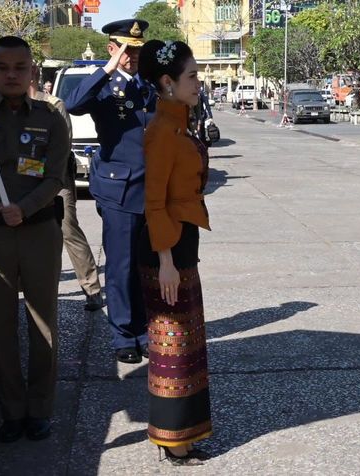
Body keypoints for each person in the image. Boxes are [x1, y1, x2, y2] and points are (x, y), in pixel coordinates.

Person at [0, 36, 70, 442]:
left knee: (43, 325)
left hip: (38, 232)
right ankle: (11, 410)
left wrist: (27, 206)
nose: (11, 75)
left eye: (20, 67)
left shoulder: (50, 118)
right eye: (2, 67)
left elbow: (56, 176)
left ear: (32, 72)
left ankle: (40, 408)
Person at [137, 39, 212, 466]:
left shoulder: (180, 124)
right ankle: (172, 439)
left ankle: (182, 435)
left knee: (186, 343)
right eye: (192, 76)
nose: (198, 82)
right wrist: (165, 259)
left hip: (182, 240)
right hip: (166, 247)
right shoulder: (162, 131)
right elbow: (154, 200)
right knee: (172, 345)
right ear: (167, 82)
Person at [65, 19, 156, 363]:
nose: (132, 56)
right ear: (112, 49)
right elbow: (73, 103)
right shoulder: (104, 85)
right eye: (126, 49)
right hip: (119, 189)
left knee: (145, 264)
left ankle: (144, 329)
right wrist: (107, 69)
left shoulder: (148, 86)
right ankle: (123, 335)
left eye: (137, 50)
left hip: (152, 189)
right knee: (121, 265)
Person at [30, 66, 104, 312]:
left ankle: (91, 287)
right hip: (23, 180)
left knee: (68, 229)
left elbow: (61, 147)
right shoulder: (9, 105)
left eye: (25, 68)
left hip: (56, 179)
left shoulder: (53, 104)